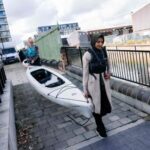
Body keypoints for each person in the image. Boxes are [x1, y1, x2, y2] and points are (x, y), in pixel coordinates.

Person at [82, 34, 112, 137]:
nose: (100, 44)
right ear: (93, 41)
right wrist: (85, 89)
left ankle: (100, 125)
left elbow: (108, 63)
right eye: (98, 41)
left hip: (104, 82)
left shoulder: (103, 51)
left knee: (103, 104)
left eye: (101, 41)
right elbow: (85, 73)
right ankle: (100, 127)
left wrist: (109, 73)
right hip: (93, 84)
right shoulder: (87, 55)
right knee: (95, 105)